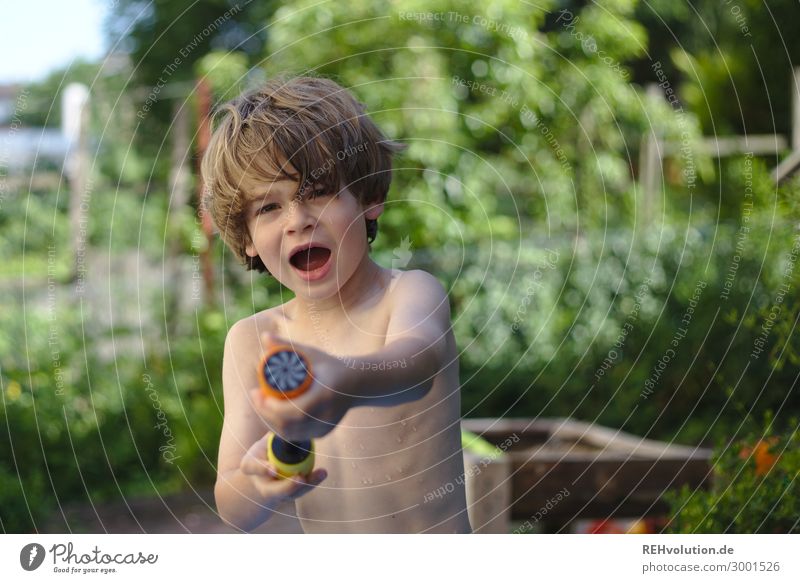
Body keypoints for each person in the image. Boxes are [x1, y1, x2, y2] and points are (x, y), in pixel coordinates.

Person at [201, 75, 471, 533]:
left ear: (369, 199)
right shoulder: (251, 342)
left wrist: (342, 381)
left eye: (318, 192)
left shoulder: (407, 294)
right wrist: (259, 479)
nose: (298, 221)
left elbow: (417, 363)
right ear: (246, 238)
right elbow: (233, 503)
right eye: (268, 207)